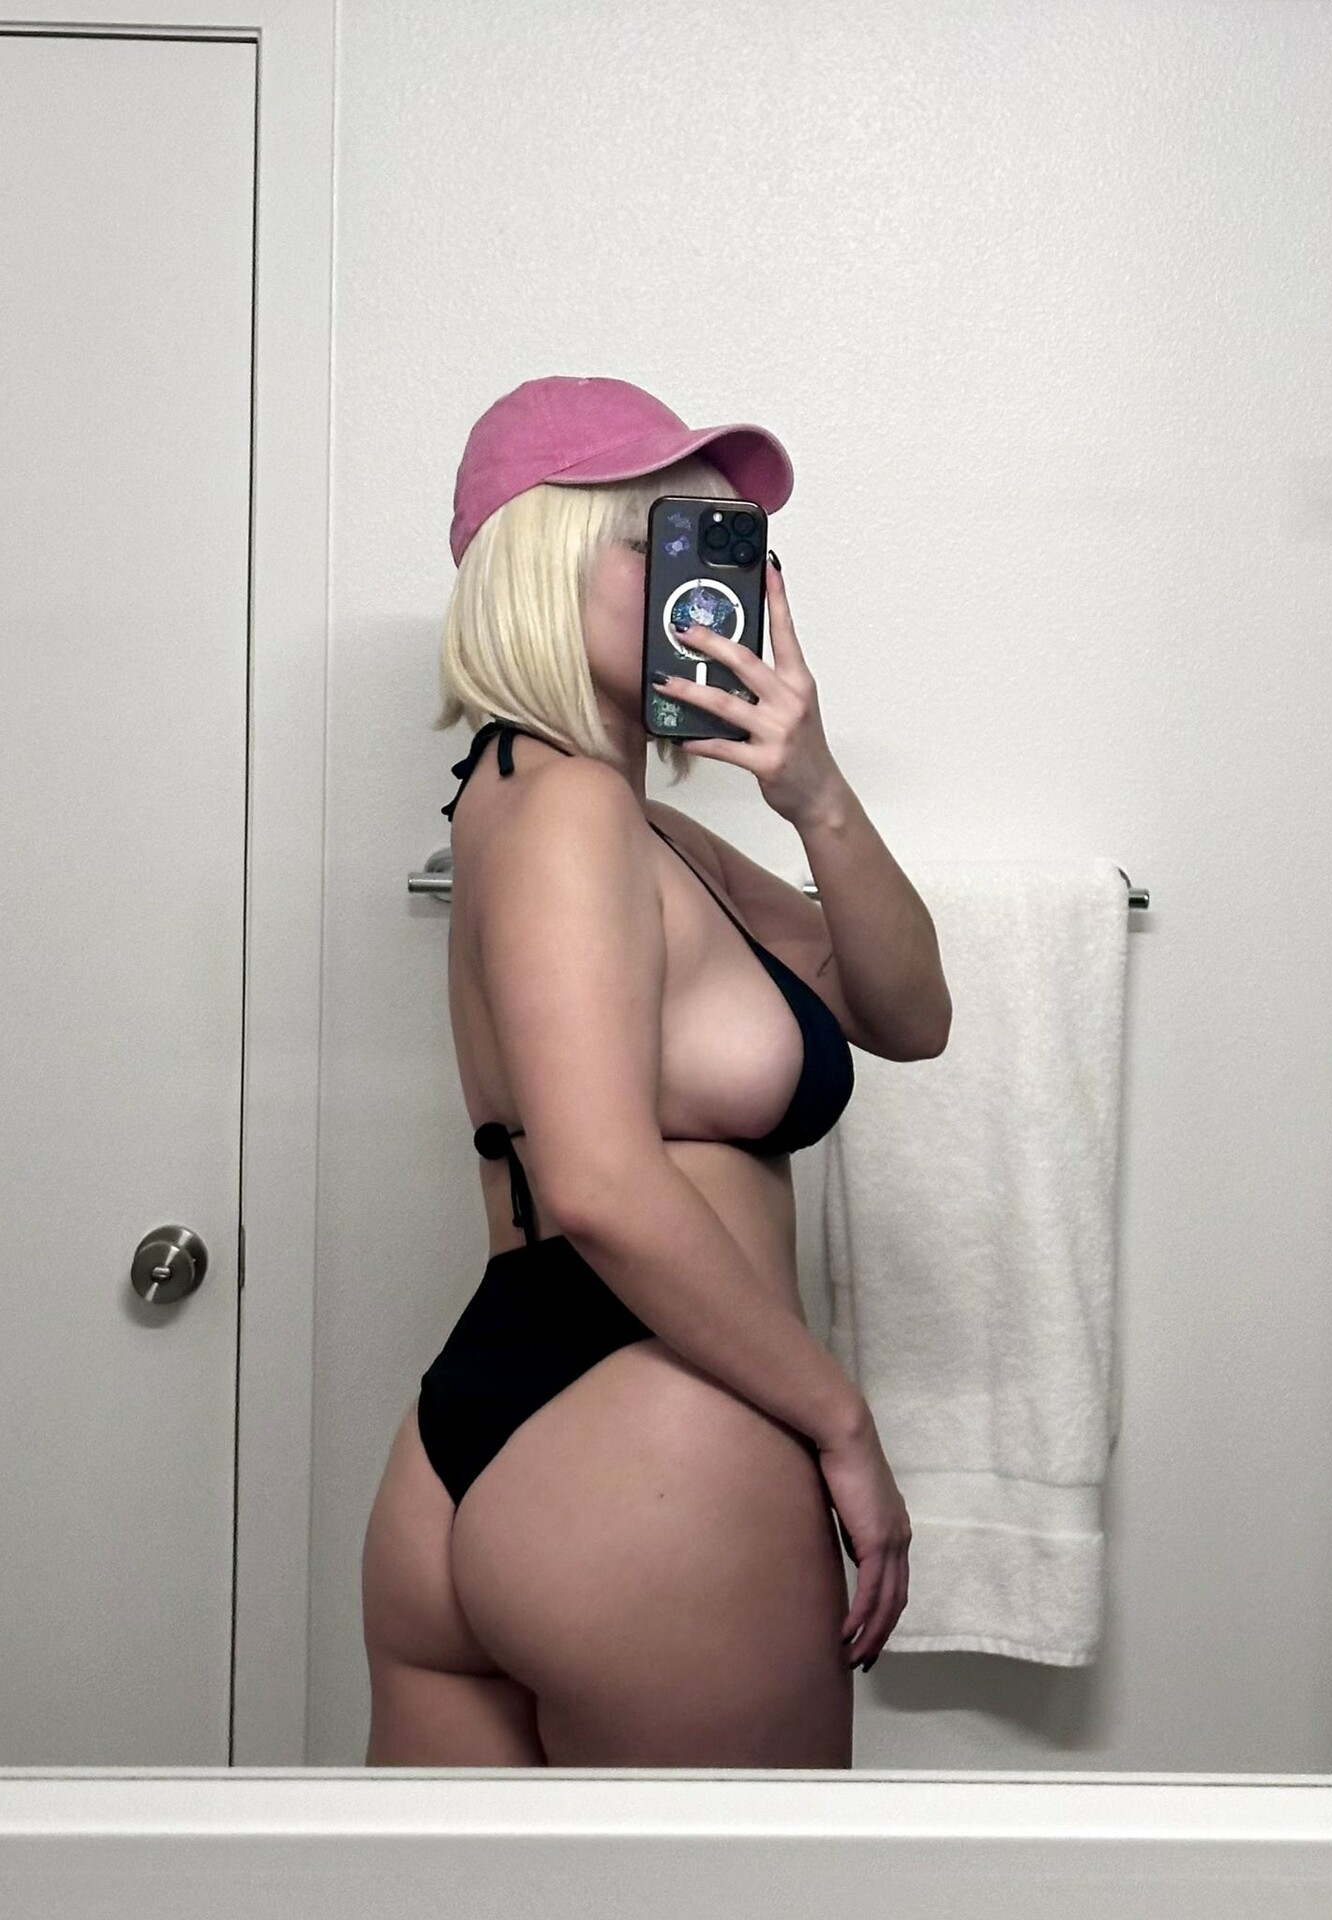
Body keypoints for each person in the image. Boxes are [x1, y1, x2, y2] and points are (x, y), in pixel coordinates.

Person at [361, 376, 948, 1768]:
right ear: (542, 564)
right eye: (669, 539)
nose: (717, 588)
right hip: (655, 1446)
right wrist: (842, 1425)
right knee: (746, 1885)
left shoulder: (615, 824)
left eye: (733, 544)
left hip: (476, 1451)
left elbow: (909, 1011)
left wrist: (812, 789)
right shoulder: (567, 804)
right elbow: (603, 1185)